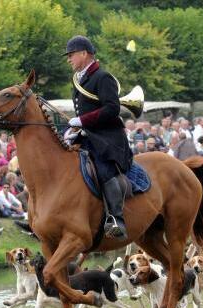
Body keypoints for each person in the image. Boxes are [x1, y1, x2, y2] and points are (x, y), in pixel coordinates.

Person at [63, 35, 132, 240]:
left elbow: (112, 109)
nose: (69, 59)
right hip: (88, 134)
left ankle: (116, 219)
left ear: (84, 54)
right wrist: (74, 129)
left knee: (102, 168)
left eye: (71, 55)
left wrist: (83, 121)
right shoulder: (79, 80)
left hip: (107, 137)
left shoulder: (102, 77)